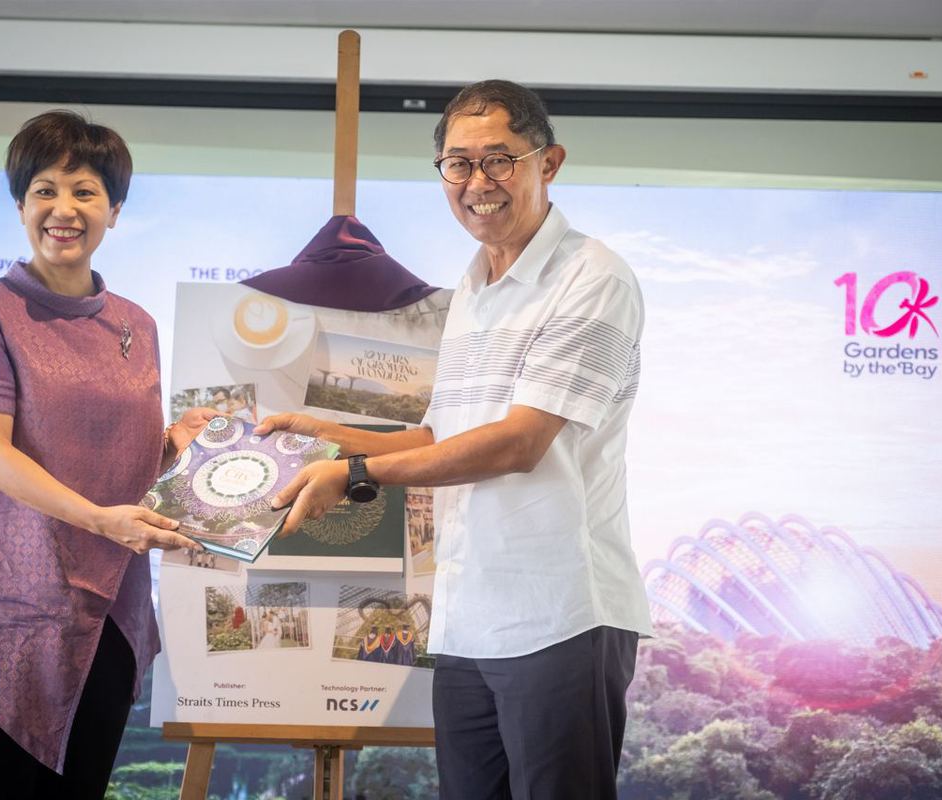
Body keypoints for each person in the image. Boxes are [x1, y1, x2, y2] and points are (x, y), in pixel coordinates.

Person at [257, 80, 652, 799]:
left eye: (499, 159)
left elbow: (519, 443)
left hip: (559, 613)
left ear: (549, 162)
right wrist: (328, 435)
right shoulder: (472, 288)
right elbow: (443, 435)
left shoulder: (593, 279)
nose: (478, 183)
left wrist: (355, 474)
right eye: (458, 164)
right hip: (469, 617)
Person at [0, 110, 215, 800]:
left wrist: (177, 444)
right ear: (21, 205)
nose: (64, 208)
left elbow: (121, 464)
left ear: (114, 209)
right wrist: (103, 520)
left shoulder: (134, 325)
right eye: (45, 189)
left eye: (85, 191)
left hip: (107, 605)